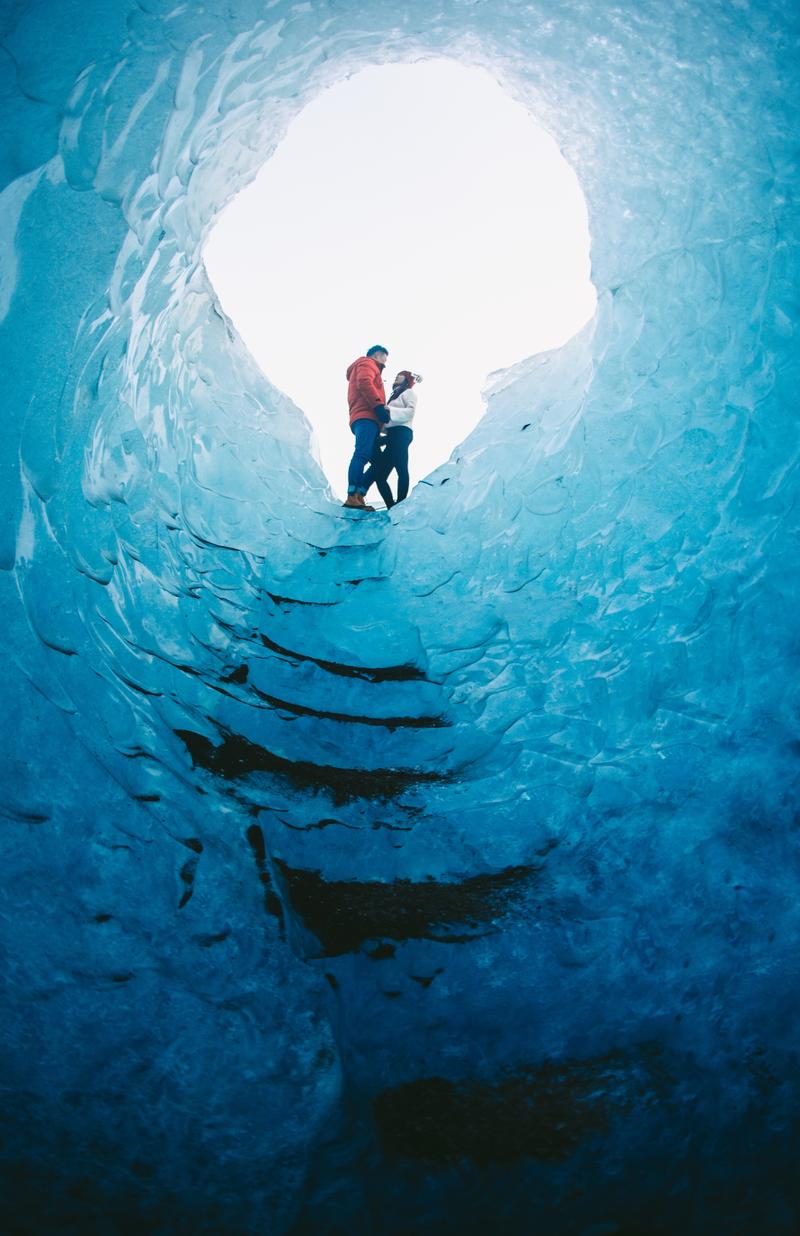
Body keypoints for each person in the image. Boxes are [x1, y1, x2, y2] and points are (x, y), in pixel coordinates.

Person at [362, 370, 420, 508]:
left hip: (402, 432)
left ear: (406, 379)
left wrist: (389, 411)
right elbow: (389, 420)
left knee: (401, 468)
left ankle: (400, 503)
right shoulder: (393, 397)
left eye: (400, 375)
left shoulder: (409, 392)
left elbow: (410, 411)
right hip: (391, 435)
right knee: (380, 476)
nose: (396, 377)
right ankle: (391, 506)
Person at [343, 345, 390, 510]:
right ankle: (352, 496)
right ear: (377, 355)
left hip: (370, 419)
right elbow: (364, 382)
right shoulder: (367, 363)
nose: (385, 362)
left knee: (379, 463)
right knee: (362, 454)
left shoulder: (369, 366)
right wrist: (378, 407)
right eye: (384, 358)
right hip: (366, 417)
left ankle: (359, 494)